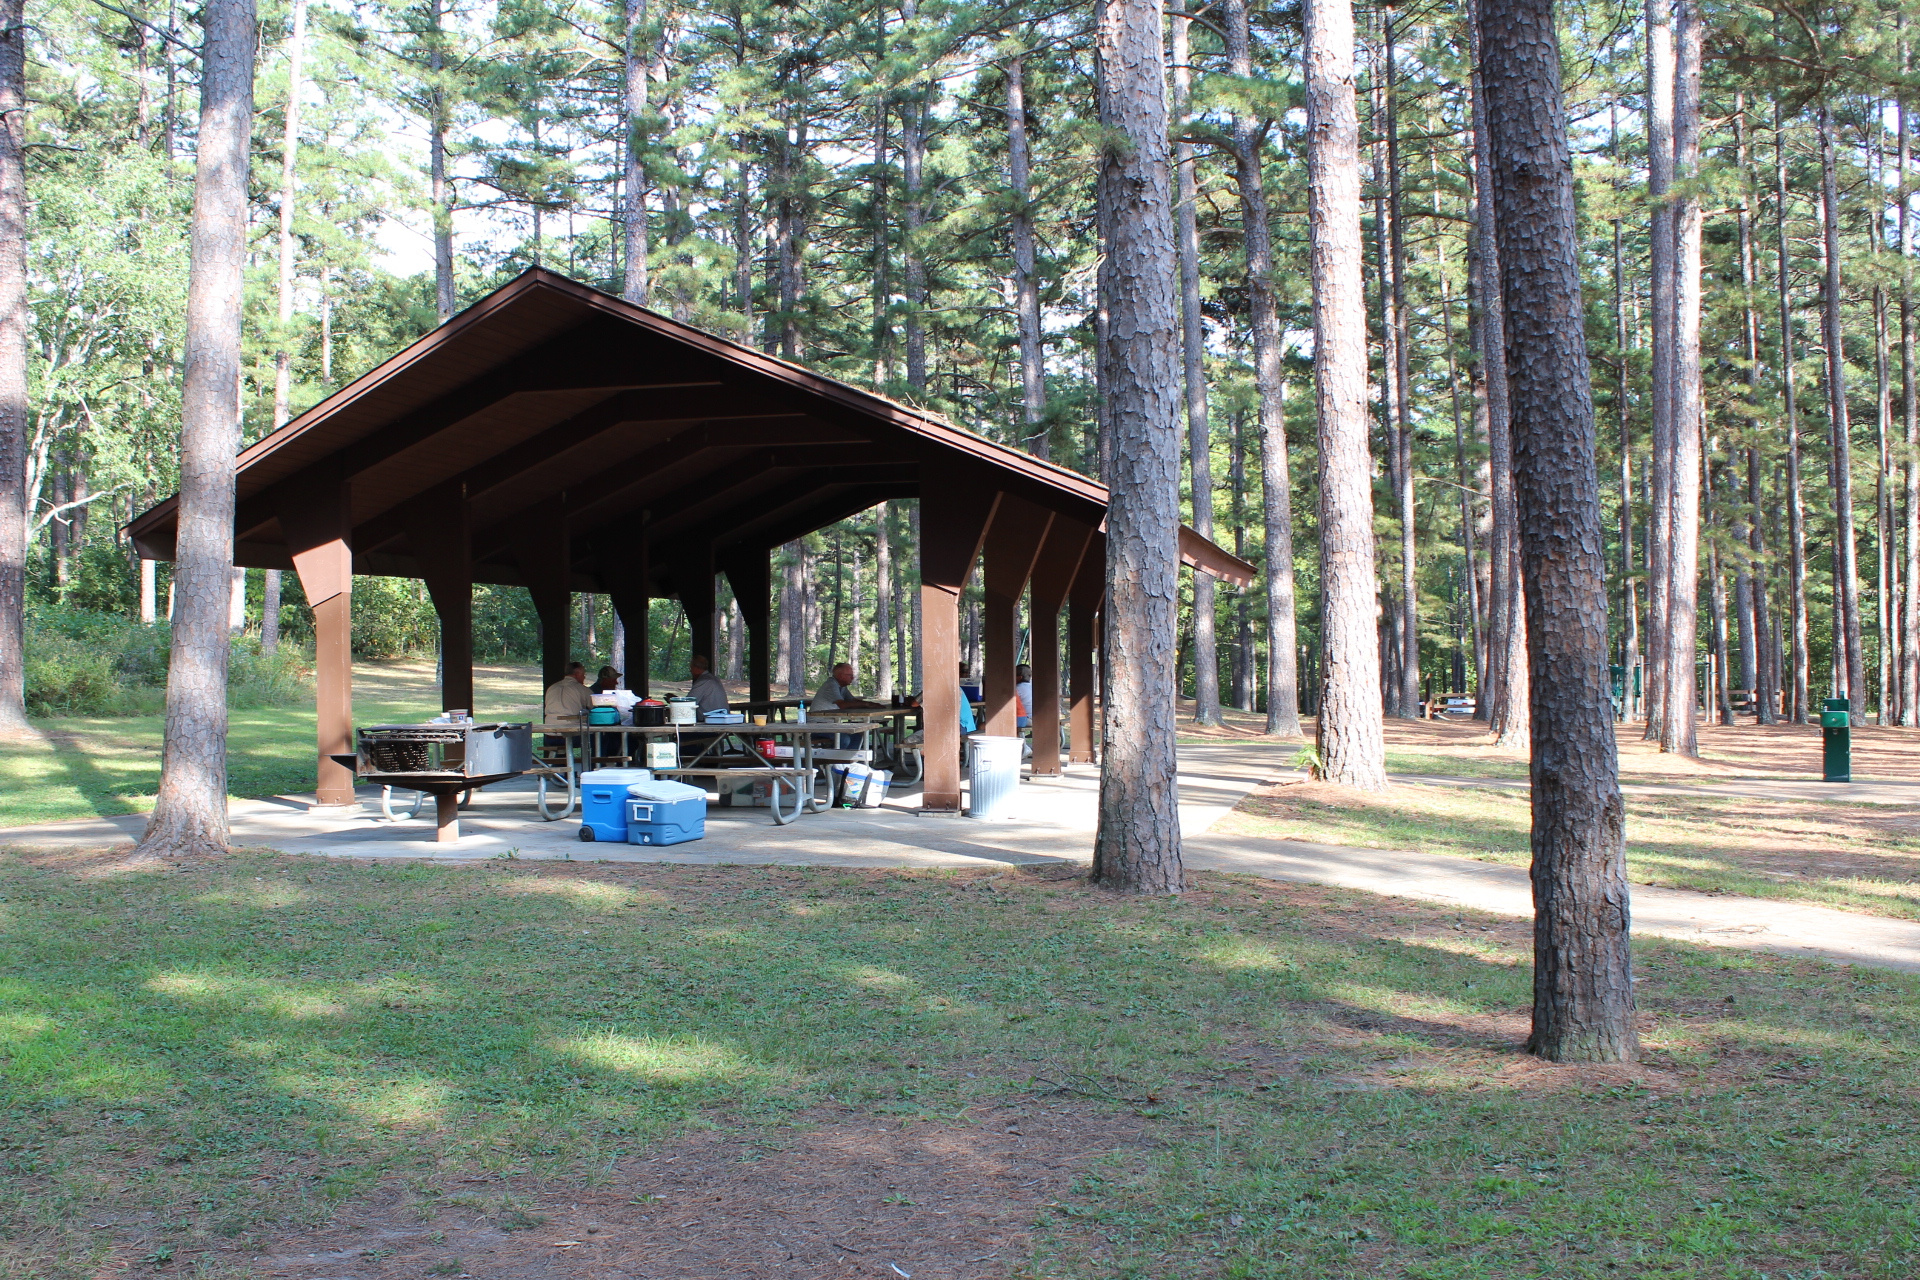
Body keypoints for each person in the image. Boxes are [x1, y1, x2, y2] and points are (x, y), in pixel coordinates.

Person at [812, 662, 885, 712]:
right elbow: (842, 705)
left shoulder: (842, 686)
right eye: (849, 675)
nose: (852, 678)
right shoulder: (831, 685)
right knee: (854, 732)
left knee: (858, 732)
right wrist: (867, 704)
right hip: (819, 724)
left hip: (831, 722)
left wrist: (871, 704)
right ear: (840, 676)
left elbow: (853, 701)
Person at [1014, 663, 1033, 731]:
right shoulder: (1033, 686)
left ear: (1019, 677)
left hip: (1026, 719)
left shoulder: (1017, 689)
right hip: (1037, 718)